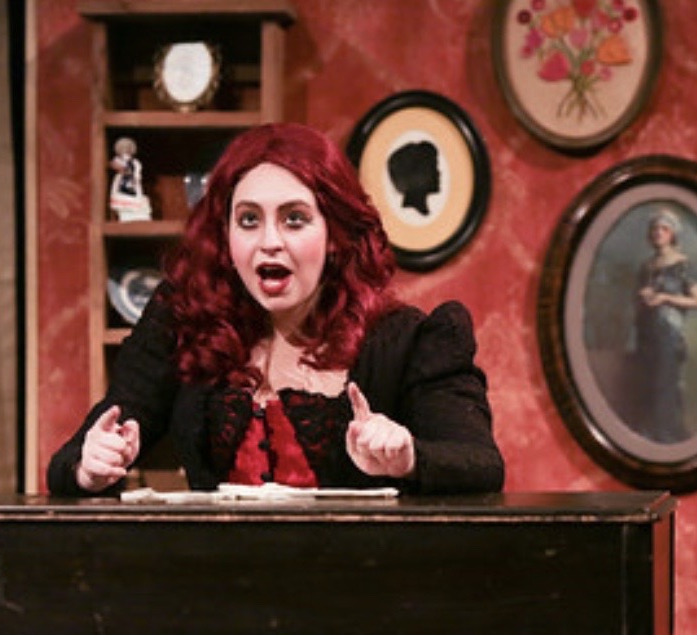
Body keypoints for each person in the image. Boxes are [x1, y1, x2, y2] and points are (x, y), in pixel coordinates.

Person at [47, 122, 504, 497]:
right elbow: (73, 459)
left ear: (335, 235)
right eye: (249, 219)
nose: (269, 241)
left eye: (294, 219)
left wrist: (408, 458)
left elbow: (480, 464)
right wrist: (92, 467)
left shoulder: (408, 341)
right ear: (225, 235)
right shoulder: (184, 320)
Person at [633, 207, 697, 443]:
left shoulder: (683, 264)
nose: (658, 232)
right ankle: (649, 437)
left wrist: (666, 298)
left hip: (669, 335)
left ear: (672, 234)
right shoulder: (646, 267)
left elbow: (696, 300)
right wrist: (644, 297)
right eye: (655, 228)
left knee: (664, 386)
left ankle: (666, 437)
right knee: (646, 383)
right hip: (646, 333)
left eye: (664, 228)